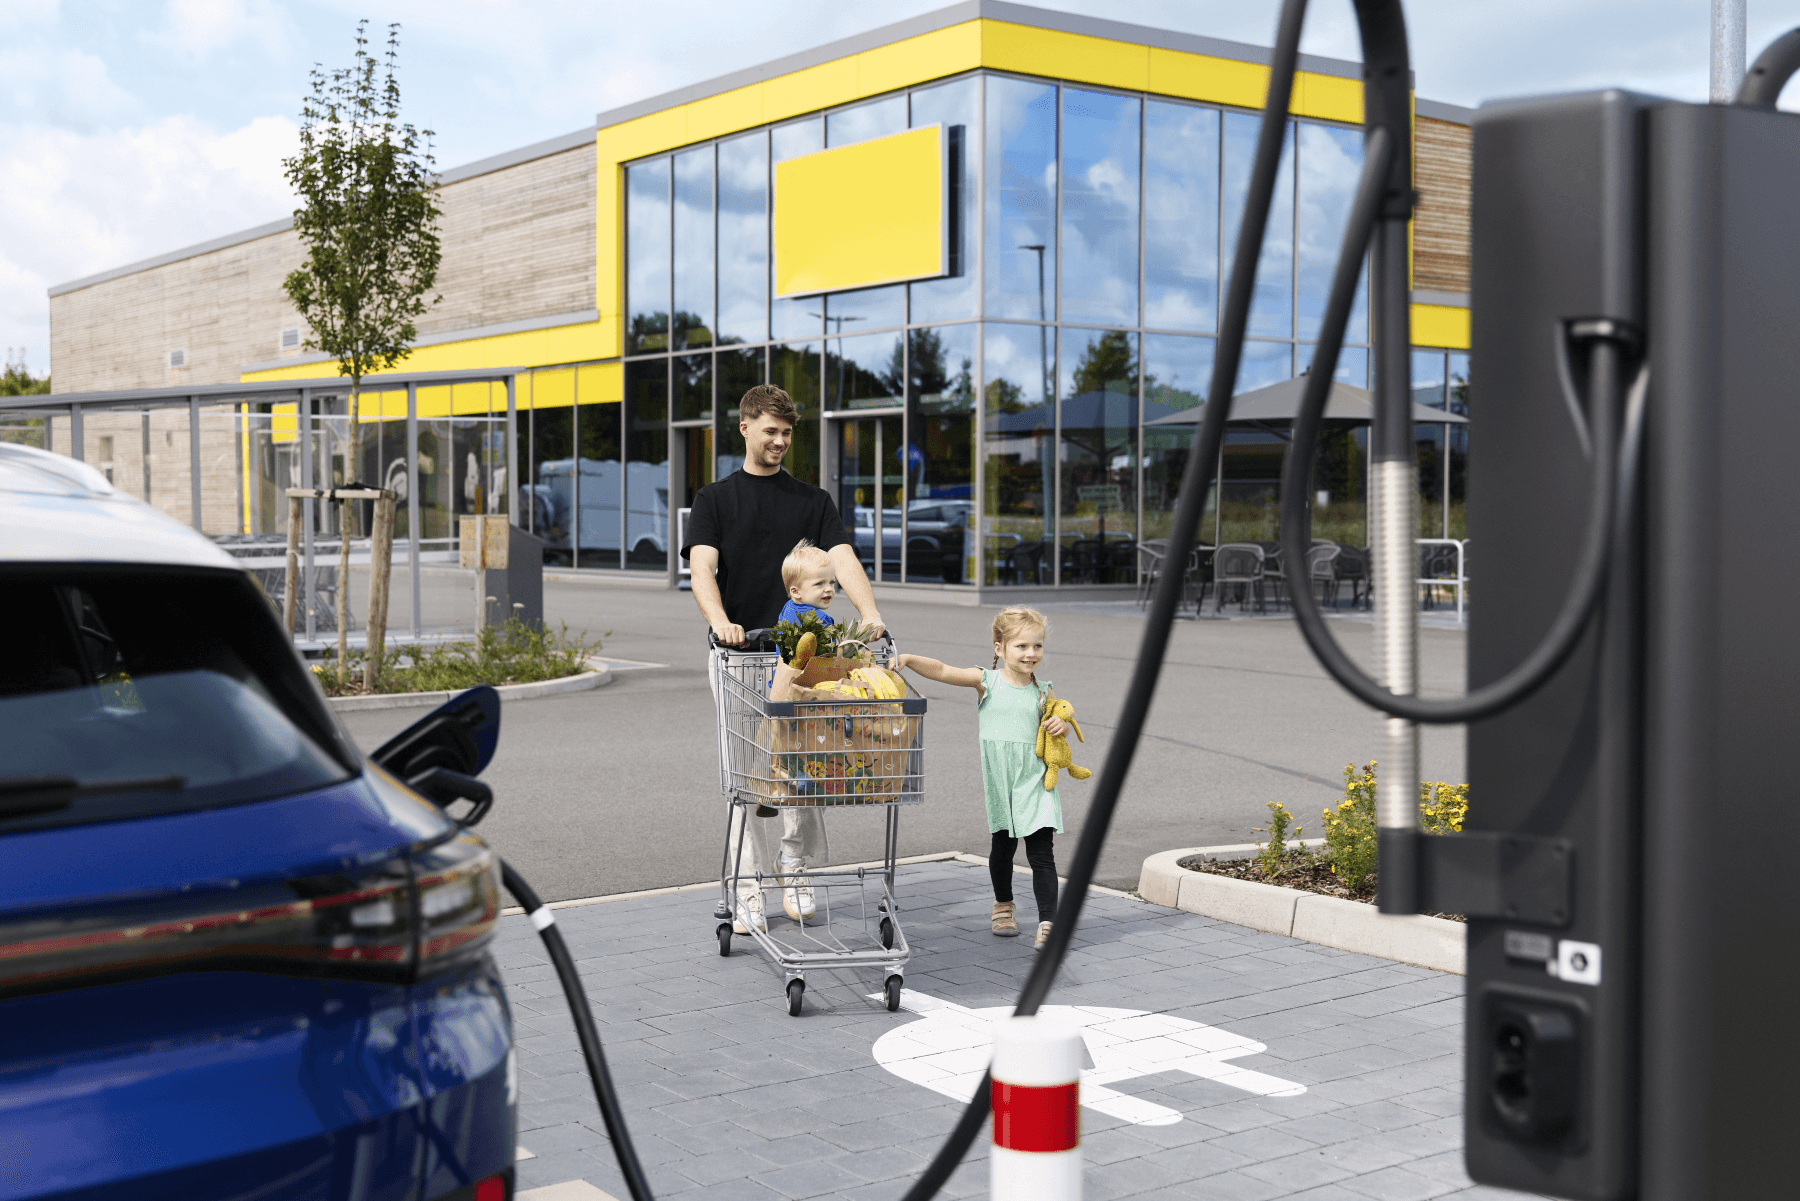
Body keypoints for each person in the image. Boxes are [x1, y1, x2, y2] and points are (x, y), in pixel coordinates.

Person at [682, 384, 886, 935]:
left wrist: (869, 612)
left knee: (805, 769)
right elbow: (702, 568)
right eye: (769, 431)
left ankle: (794, 864)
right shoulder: (714, 499)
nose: (778, 441)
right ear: (744, 427)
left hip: (806, 663)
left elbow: (843, 559)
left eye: (787, 433)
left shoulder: (812, 502)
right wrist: (720, 621)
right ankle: (748, 888)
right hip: (740, 656)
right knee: (744, 776)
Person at [895, 606, 1069, 948]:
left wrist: (1060, 726)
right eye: (1021, 646)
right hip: (1001, 783)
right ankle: (1003, 906)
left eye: (1037, 646)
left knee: (1042, 854)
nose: (1031, 654)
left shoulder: (1043, 691)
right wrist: (910, 658)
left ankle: (1049, 923)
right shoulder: (986, 681)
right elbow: (944, 670)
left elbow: (1057, 726)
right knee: (1002, 849)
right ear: (999, 648)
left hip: (1035, 782)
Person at [776, 539, 836, 628]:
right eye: (819, 583)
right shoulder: (820, 620)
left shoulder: (787, 607)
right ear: (796, 592)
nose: (829, 589)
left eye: (831, 582)